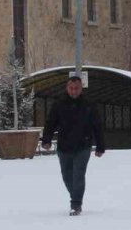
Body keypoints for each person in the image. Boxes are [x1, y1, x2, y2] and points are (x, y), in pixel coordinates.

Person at [41, 75, 106, 216]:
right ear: (67, 88)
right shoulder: (59, 105)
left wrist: (100, 146)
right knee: (67, 176)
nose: (74, 91)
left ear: (81, 88)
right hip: (64, 146)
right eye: (71, 88)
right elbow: (50, 123)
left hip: (83, 145)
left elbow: (97, 126)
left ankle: (76, 204)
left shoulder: (89, 105)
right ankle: (76, 195)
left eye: (76, 88)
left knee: (78, 175)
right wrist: (46, 140)